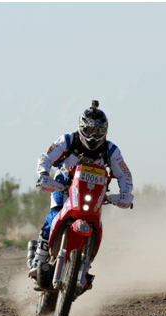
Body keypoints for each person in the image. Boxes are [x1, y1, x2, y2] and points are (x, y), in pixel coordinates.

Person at [28, 100, 134, 278]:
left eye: (98, 132)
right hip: (64, 185)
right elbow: (45, 157)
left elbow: (124, 174)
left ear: (105, 131)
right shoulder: (68, 140)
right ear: (81, 128)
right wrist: (43, 174)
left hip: (93, 192)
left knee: (96, 222)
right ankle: (39, 257)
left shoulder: (111, 150)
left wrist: (125, 193)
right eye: (90, 131)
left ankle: (86, 263)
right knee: (54, 213)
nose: (93, 136)